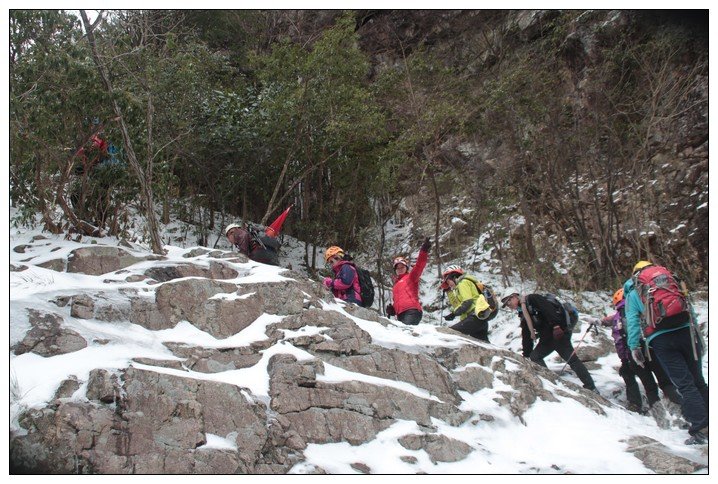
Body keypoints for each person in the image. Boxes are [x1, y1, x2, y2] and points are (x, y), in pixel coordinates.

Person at [624, 260, 708, 445]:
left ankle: (701, 429)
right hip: (687, 332)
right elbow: (688, 308)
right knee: (699, 380)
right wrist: (698, 335)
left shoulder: (634, 291)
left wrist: (634, 347)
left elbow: (632, 323)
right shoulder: (671, 281)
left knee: (685, 384)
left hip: (661, 339)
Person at [600, 288, 682, 414]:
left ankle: (660, 419)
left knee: (650, 388)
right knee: (666, 383)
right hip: (652, 349)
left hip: (634, 354)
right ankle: (683, 411)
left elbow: (620, 342)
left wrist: (624, 361)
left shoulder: (618, 317)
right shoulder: (642, 306)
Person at [501, 287, 597, 391]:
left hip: (559, 334)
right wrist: (526, 354)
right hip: (547, 338)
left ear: (515, 296)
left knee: (572, 360)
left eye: (508, 301)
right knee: (535, 356)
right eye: (506, 304)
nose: (508, 305)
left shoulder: (532, 299)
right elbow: (526, 334)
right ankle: (551, 382)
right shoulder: (523, 313)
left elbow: (548, 310)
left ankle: (591, 387)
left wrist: (556, 326)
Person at [442, 265, 494, 342]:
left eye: (448, 281)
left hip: (473, 319)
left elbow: (467, 302)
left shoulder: (463, 283)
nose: (448, 284)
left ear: (453, 276)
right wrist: (449, 291)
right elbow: (457, 305)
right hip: (480, 319)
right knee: (482, 344)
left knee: (449, 333)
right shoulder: (462, 285)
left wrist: (454, 314)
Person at [386, 238, 430, 325]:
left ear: (406, 268)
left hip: (412, 311)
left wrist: (424, 251)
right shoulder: (395, 285)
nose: (400, 269)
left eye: (402, 267)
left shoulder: (411, 277)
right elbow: (400, 300)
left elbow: (419, 265)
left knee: (405, 332)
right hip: (400, 315)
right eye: (398, 268)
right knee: (403, 332)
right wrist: (393, 310)